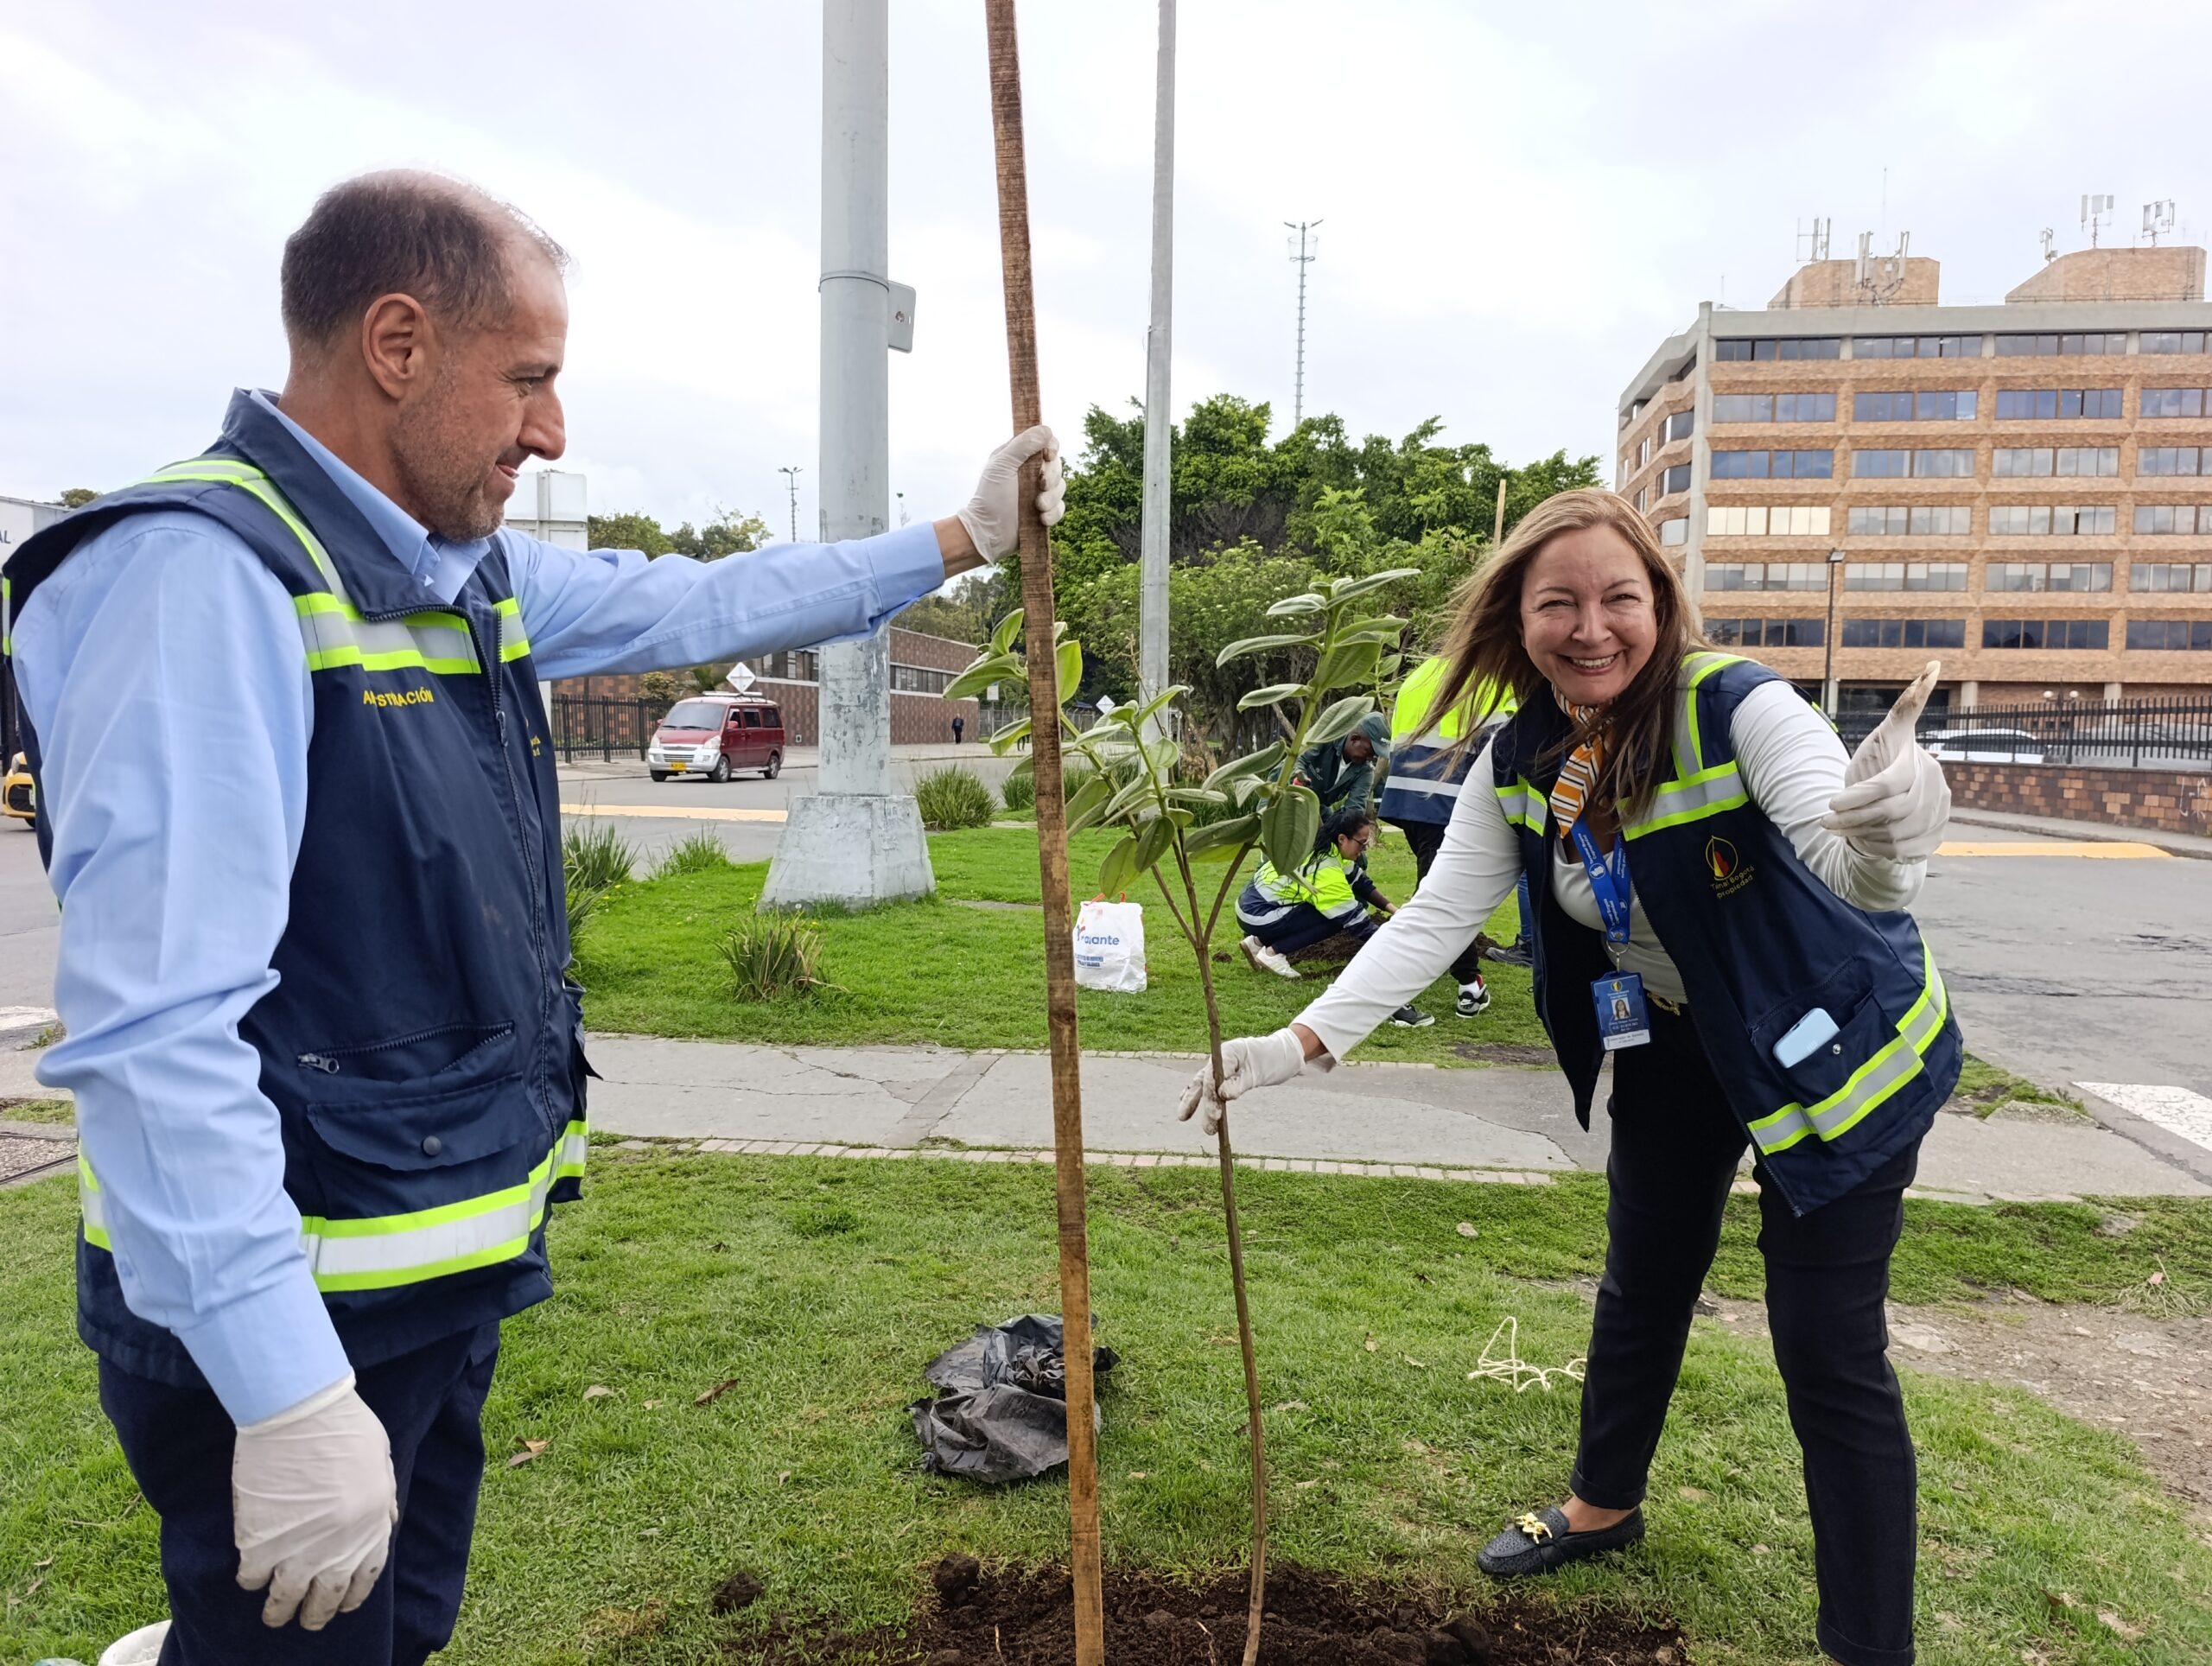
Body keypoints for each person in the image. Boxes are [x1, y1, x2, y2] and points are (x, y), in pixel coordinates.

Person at [1, 171, 1065, 1666]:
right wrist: (286, 1390)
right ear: (396, 344)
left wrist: (956, 535)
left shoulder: (452, 573)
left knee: (395, 1634)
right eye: (528, 378)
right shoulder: (201, 578)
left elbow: (702, 603)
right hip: (295, 1319)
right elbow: (156, 1034)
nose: (552, 431)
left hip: (421, 1277)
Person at [1178, 489, 1956, 1666]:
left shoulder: (1737, 705)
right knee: (1641, 1281)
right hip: (1676, 1041)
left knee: (1826, 1346)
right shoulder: (1518, 755)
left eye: (1618, 599)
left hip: (1834, 1047)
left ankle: (1869, 1647)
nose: (1591, 628)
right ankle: (1603, 1502)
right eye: (1559, 603)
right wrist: (1297, 1043)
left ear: (1662, 605)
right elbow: (1437, 915)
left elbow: (1844, 860)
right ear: (1518, 620)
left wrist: (1897, 833)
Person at [1376, 652, 1518, 1017]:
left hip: (1407, 801)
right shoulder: (1489, 681)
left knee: (1441, 894)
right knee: (1440, 901)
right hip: (1447, 802)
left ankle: (1467, 982)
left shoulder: (1420, 675)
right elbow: (1503, 750)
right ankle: (1406, 986)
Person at [1234, 809, 1431, 1028]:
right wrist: (1396, 948)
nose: (1364, 850)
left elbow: (1360, 883)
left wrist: (1395, 911)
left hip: (1251, 905)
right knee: (1335, 917)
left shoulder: (1326, 848)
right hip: (1259, 914)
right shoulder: (1326, 869)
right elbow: (1358, 924)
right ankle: (1273, 952)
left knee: (1334, 908)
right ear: (1342, 839)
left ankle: (1257, 942)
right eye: (1361, 844)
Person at [1295, 709, 1390, 823]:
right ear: (1354, 739)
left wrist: (1348, 829)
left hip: (1318, 807)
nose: (1371, 758)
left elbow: (1354, 810)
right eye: (1370, 751)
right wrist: (1300, 774)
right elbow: (1299, 760)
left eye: (1375, 755)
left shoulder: (1365, 771)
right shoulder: (1327, 737)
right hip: (1286, 791)